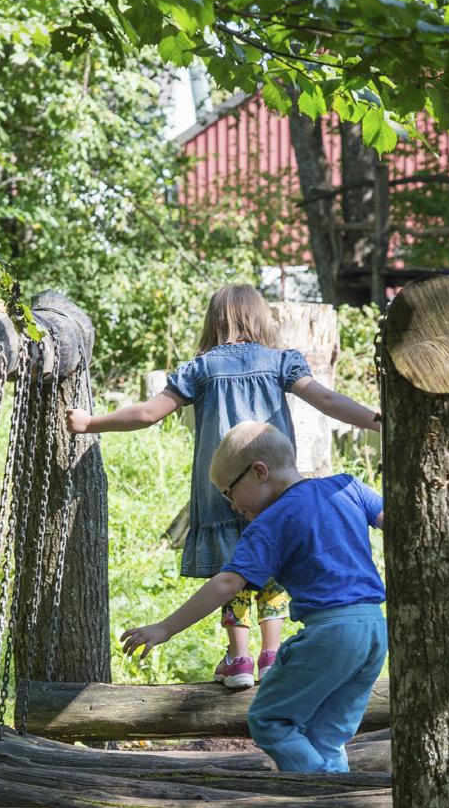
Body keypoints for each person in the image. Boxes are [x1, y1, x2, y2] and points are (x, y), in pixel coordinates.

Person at [68, 283, 379, 689]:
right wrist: (377, 420)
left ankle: (239, 659)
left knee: (232, 570)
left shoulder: (201, 369)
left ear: (214, 322)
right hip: (273, 490)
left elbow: (147, 413)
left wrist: (91, 423)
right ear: (261, 320)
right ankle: (271, 655)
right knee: (274, 567)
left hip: (224, 492)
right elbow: (328, 400)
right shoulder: (281, 361)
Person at [121, 421, 387, 773]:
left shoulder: (270, 522)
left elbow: (227, 583)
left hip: (331, 633)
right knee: (327, 734)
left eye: (229, 492)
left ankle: (317, 789)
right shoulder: (346, 486)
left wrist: (166, 628)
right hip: (375, 631)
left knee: (269, 721)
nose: (232, 506)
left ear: (259, 472)